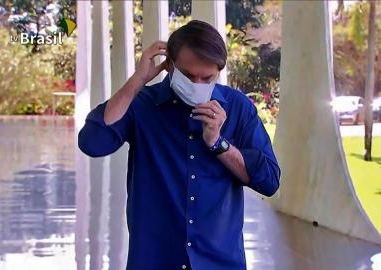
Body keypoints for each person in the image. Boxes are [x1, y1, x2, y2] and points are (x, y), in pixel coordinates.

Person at [78, 20, 280, 270]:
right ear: (170, 64)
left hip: (219, 262)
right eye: (188, 75)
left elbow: (269, 181)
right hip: (154, 261)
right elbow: (92, 142)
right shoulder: (142, 105)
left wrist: (218, 144)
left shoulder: (237, 107)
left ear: (218, 70)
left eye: (207, 77)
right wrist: (137, 81)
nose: (197, 83)